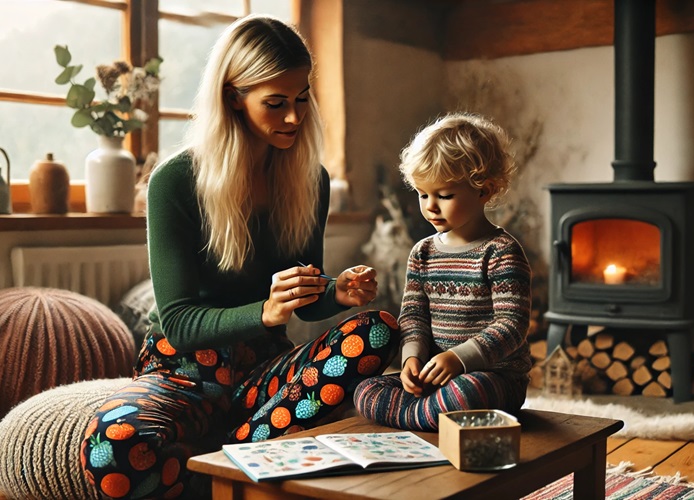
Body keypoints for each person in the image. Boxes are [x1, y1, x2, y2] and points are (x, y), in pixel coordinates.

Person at [82, 15, 399, 499]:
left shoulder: (309, 180)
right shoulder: (176, 182)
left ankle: (231, 461)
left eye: (301, 98)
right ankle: (247, 461)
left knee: (378, 329)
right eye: (275, 103)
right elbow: (180, 322)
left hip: (263, 376)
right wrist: (266, 311)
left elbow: (308, 303)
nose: (293, 117)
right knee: (111, 449)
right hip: (181, 373)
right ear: (233, 96)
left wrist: (336, 292)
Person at [353, 112, 532, 431]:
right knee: (365, 391)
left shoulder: (501, 251)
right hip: (433, 380)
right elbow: (414, 316)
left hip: (493, 378)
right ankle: (429, 415)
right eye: (423, 194)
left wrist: (459, 359)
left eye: (444, 195)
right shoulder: (423, 252)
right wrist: (411, 359)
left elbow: (512, 325)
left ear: (484, 190)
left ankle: (417, 416)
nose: (430, 206)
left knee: (467, 392)